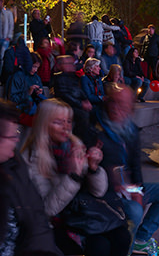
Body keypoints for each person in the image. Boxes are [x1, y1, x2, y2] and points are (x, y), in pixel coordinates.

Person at [20, 100, 131, 256]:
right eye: (58, 122)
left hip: (81, 213)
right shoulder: (32, 158)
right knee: (99, 246)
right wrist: (74, 176)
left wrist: (94, 168)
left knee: (122, 236)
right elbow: (47, 210)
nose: (66, 127)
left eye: (68, 121)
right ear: (44, 124)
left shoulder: (74, 145)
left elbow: (98, 192)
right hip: (55, 222)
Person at [94, 83, 159, 256]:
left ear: (130, 107)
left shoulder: (130, 129)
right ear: (106, 101)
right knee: (135, 210)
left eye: (123, 104)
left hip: (128, 187)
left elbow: (135, 166)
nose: (117, 108)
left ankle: (141, 240)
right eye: (113, 102)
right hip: (108, 193)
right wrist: (125, 189)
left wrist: (138, 189)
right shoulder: (96, 129)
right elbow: (99, 173)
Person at [0, 98, 62, 256]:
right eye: (12, 136)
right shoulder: (29, 157)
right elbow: (48, 208)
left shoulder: (14, 165)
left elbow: (36, 219)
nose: (16, 141)